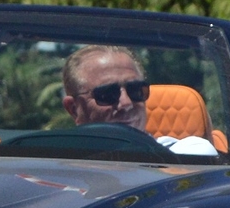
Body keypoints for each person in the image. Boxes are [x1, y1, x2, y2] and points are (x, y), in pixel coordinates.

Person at [59, 45, 215, 155]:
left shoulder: (189, 154)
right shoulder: (53, 166)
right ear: (74, 109)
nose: (126, 103)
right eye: (108, 94)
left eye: (135, 91)